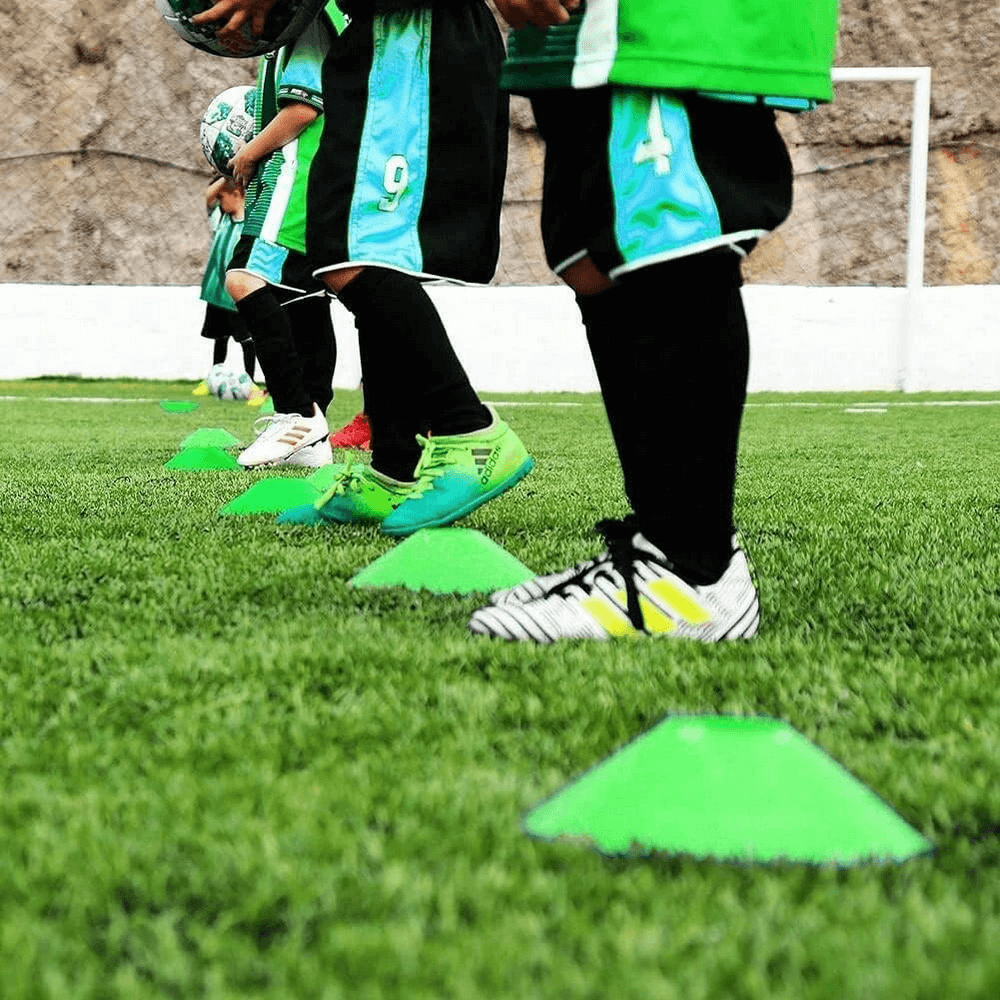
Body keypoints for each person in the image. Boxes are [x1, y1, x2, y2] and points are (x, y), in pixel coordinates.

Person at [463, 0, 841, 642]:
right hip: (590, 39)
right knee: (595, 256)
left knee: (667, 234)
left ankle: (695, 566)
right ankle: (660, 545)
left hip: (667, 24)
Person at [197, 0, 534, 538]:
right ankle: (392, 470)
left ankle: (467, 427)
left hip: (414, 39)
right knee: (359, 255)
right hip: (382, 44)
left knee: (352, 256)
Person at [224, 1, 344, 469]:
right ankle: (313, 439)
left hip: (295, 179)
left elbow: (302, 109)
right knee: (302, 299)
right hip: (308, 181)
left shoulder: (307, 19)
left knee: (244, 278)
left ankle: (296, 413)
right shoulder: (296, 23)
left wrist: (250, 153)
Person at [196, 176, 257, 394]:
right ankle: (215, 377)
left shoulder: (251, 223)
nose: (220, 204)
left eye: (223, 199)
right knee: (219, 337)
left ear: (236, 195)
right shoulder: (221, 221)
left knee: (247, 339)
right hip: (217, 292)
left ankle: (250, 383)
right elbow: (208, 197)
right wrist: (228, 174)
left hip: (239, 292)